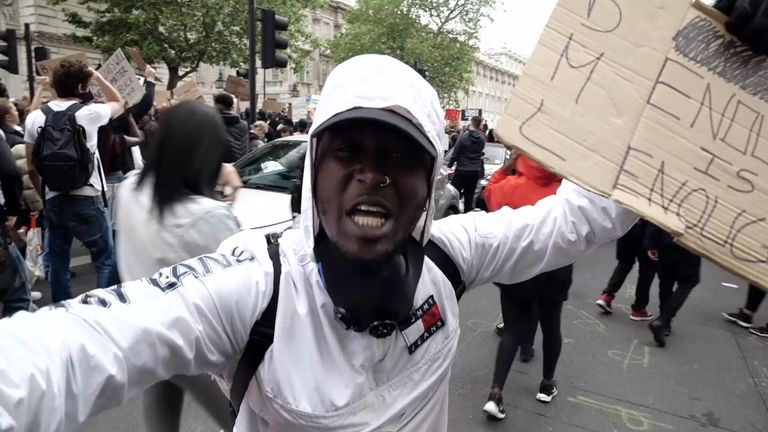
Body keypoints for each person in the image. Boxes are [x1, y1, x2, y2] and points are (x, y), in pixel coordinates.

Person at [0, 54, 637, 432]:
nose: (372, 173)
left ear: (429, 186)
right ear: (314, 172)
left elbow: (583, 217)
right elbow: (72, 349)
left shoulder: (451, 256)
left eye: (399, 155)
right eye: (347, 151)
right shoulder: (253, 286)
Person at [115, 102, 239, 432]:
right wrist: (229, 196)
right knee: (245, 420)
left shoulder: (128, 189)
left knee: (161, 417)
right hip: (193, 344)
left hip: (146, 332)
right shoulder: (206, 215)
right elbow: (243, 268)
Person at [24, 59, 124, 303]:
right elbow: (119, 103)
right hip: (87, 197)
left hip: (54, 198)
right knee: (104, 258)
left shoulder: (34, 117)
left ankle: (63, 310)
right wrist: (98, 77)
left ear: (55, 86)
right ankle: (102, 309)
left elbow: (31, 166)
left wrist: (45, 195)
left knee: (58, 260)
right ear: (82, 87)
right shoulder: (90, 113)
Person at [481, 155, 571, 419]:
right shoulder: (563, 191)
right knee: (552, 327)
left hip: (515, 268)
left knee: (511, 329)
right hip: (554, 269)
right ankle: (546, 384)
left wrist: (509, 165)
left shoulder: (509, 186)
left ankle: (495, 393)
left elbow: (488, 194)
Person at [645, 224, 701, 348]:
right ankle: (663, 320)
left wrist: (651, 243)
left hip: (665, 242)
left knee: (666, 282)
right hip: (689, 245)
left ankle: (664, 321)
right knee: (687, 283)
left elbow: (658, 216)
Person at [595, 220, 656, 320]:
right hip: (646, 229)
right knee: (647, 270)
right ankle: (639, 308)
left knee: (624, 263)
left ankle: (607, 295)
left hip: (627, 227)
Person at [448, 115, 485, 212]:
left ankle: (454, 213)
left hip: (462, 169)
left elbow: (455, 153)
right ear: (479, 125)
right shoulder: (482, 138)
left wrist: (449, 166)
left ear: (471, 123)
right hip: (475, 170)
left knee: (454, 193)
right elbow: (480, 151)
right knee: (469, 196)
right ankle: (467, 214)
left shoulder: (463, 137)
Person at [214, 93, 249, 163]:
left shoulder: (212, 123)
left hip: (219, 166)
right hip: (239, 164)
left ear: (218, 106)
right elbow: (245, 148)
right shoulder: (243, 124)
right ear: (232, 106)